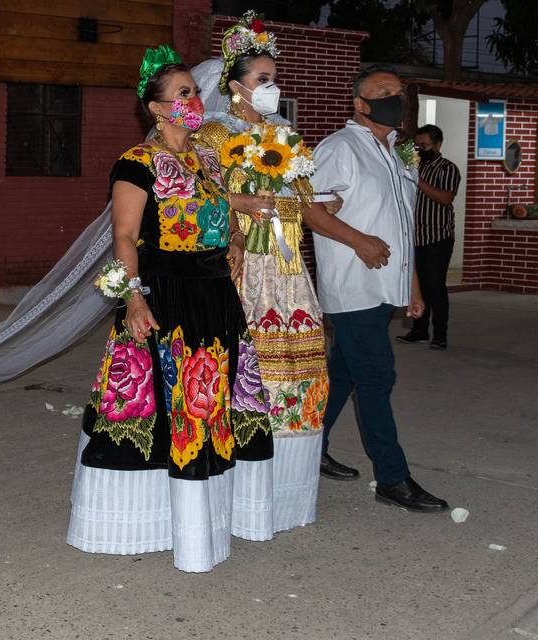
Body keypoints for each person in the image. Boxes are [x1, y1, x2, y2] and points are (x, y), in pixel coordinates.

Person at [67, 45, 272, 573]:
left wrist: (234, 242)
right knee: (173, 404)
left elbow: (218, 211)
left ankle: (216, 521)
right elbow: (125, 235)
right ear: (156, 109)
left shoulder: (205, 157)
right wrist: (133, 296)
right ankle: (168, 527)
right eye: (183, 94)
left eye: (195, 91)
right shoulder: (136, 163)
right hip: (167, 293)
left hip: (214, 294)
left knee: (217, 401)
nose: (194, 100)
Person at [191, 11, 350, 538]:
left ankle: (287, 494)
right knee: (248, 369)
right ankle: (236, 493)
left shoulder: (285, 133)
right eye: (263, 80)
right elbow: (198, 197)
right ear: (233, 86)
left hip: (287, 266)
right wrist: (238, 220)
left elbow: (299, 198)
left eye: (275, 79)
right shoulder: (213, 135)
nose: (272, 88)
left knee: (300, 370)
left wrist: (319, 199)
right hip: (246, 265)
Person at [309, 65, 448, 512]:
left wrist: (412, 286)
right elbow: (311, 211)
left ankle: (307, 450)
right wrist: (360, 241)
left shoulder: (398, 154)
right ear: (360, 104)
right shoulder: (339, 147)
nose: (396, 96)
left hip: (386, 286)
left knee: (345, 373)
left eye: (400, 91)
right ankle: (392, 477)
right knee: (376, 375)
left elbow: (404, 228)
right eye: (384, 91)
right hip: (352, 286)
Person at [397, 124, 460, 351]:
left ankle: (440, 334)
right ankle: (419, 330)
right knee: (418, 287)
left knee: (435, 286)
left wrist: (417, 179)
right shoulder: (413, 165)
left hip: (438, 237)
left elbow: (445, 198)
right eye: (417, 145)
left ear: (438, 144)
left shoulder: (447, 168)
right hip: (415, 237)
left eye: (424, 145)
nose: (420, 149)